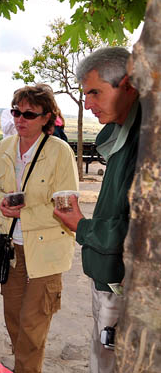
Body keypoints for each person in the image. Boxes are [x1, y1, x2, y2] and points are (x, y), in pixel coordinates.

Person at [54, 47, 140, 373]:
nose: (87, 104)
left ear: (128, 85)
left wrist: (82, 226)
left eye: (94, 92)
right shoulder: (123, 133)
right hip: (109, 280)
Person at [0, 84, 79, 373]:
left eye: (29, 113)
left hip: (46, 251)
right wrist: (0, 203)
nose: (20, 119)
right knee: (14, 318)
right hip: (11, 249)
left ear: (46, 117)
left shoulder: (59, 151)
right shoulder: (4, 147)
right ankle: (26, 365)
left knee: (32, 323)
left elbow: (65, 207)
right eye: (16, 111)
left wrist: (23, 213)